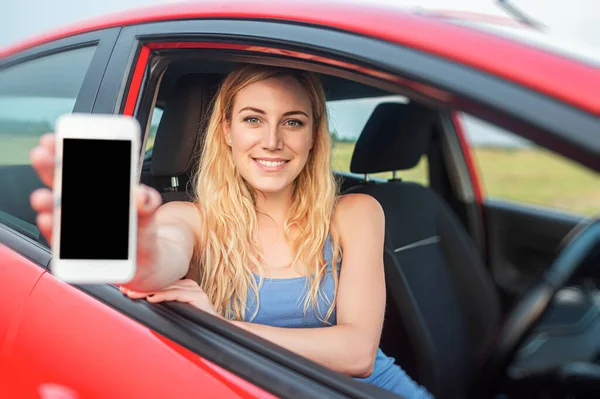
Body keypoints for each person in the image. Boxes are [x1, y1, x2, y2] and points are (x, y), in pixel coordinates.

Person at [29, 64, 433, 398]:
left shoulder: (356, 212)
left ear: (313, 136)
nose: (272, 141)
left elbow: (357, 354)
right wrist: (138, 249)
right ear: (227, 131)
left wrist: (223, 330)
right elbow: (161, 255)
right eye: (253, 119)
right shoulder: (192, 219)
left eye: (293, 122)